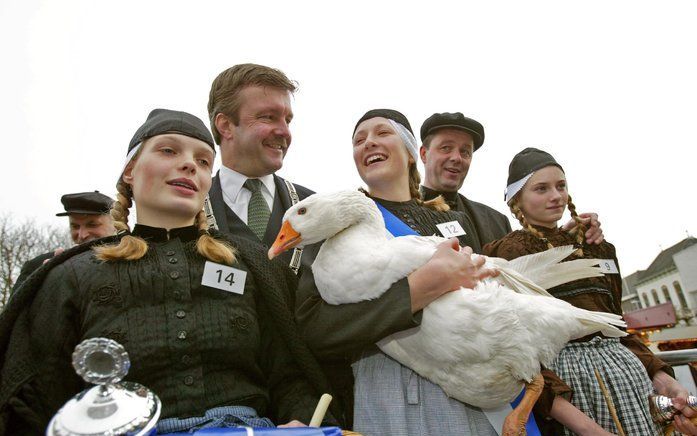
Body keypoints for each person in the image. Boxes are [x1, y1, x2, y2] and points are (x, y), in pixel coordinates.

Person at [0, 109, 334, 434]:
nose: (190, 164)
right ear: (130, 171)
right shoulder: (72, 274)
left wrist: (301, 421)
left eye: (204, 161)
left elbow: (290, 371)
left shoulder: (251, 265)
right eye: (169, 151)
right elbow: (35, 398)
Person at [295, 108, 497, 435]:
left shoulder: (453, 222)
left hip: (469, 382)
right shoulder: (339, 226)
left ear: (412, 153)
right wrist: (415, 292)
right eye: (359, 139)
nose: (369, 143)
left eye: (382, 133)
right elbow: (316, 329)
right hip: (390, 392)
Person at [484, 147, 697, 435]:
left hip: (630, 380)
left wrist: (663, 378)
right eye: (541, 188)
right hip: (569, 387)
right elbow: (520, 349)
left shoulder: (598, 248)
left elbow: (618, 326)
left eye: (561, 186)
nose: (556, 196)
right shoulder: (508, 252)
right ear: (517, 200)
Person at [418, 112, 605, 247]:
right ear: (424, 154)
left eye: (465, 151)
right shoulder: (397, 215)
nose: (457, 158)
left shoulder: (495, 220)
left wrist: (567, 236)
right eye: (446, 148)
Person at [206, 63, 312, 271]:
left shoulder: (316, 209)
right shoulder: (186, 210)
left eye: (287, 120)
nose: (284, 132)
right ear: (225, 125)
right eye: (268, 117)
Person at [13, 191, 116, 288]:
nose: (82, 235)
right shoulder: (37, 266)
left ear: (116, 225)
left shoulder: (129, 264)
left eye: (92, 225)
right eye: (75, 226)